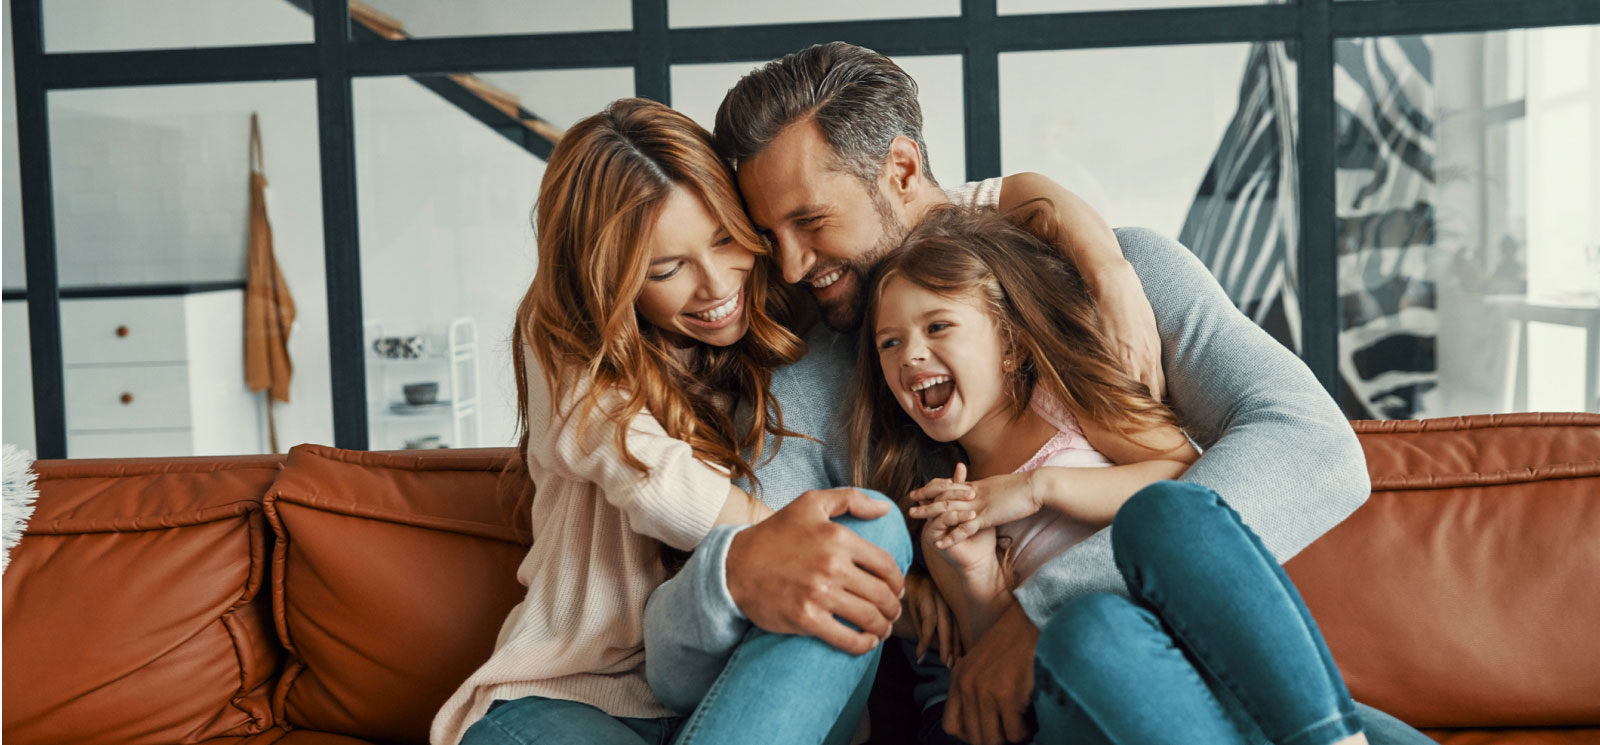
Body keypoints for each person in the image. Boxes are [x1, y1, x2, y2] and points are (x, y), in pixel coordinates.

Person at [642, 41, 1434, 745]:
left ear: (904, 170)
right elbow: (738, 598)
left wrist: (1041, 609)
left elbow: (1317, 452)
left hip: (1183, 656)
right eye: (768, 235)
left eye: (812, 221)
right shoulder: (809, 381)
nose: (786, 267)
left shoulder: (1118, 278)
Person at [430, 98, 909, 745]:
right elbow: (657, 483)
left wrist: (1027, 193)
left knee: (869, 524)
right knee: (836, 544)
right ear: (610, 281)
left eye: (724, 239)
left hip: (750, 687)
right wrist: (786, 546)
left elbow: (898, 215)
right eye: (667, 268)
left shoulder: (781, 301)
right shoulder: (569, 345)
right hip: (575, 697)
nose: (715, 285)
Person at [857, 205, 1370, 745]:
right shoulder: (947, 506)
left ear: (1009, 345)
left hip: (1179, 651)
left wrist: (1039, 487)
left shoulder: (1067, 405)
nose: (910, 356)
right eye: (889, 343)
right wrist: (976, 569)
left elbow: (1187, 489)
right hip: (1083, 688)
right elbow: (998, 672)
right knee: (1089, 634)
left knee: (1163, 520)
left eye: (937, 326)